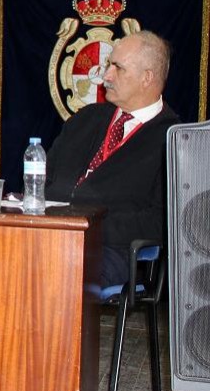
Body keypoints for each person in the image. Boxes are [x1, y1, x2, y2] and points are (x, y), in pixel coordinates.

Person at [45, 30, 178, 287]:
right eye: (108, 65)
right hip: (50, 235)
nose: (106, 75)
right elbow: (43, 179)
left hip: (111, 250)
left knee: (48, 271)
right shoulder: (85, 119)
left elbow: (160, 221)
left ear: (147, 77)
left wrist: (88, 227)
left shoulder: (172, 141)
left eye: (118, 68)